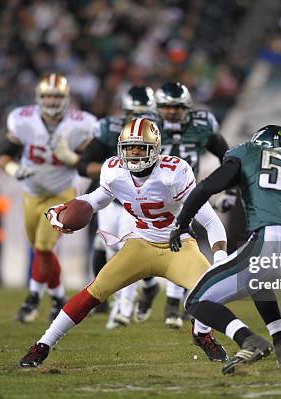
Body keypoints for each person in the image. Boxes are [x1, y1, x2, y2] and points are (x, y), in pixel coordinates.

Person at [19, 118, 229, 367]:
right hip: (139, 244)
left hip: (178, 245)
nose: (135, 153)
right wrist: (72, 208)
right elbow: (96, 199)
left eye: (141, 147)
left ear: (155, 148)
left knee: (213, 290)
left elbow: (212, 222)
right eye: (130, 148)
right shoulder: (114, 170)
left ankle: (202, 334)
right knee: (93, 292)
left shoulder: (175, 173)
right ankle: (42, 345)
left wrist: (220, 258)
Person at [169, 125, 281, 374]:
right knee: (258, 282)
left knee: (196, 300)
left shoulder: (248, 152)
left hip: (268, 242)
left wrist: (181, 223)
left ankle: (247, 340)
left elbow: (206, 187)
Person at [0, 73, 96, 323]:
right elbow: (3, 155)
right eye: (47, 96)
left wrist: (70, 157)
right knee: (42, 250)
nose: (52, 101)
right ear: (39, 98)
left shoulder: (81, 123)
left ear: (66, 98)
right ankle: (58, 298)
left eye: (56, 96)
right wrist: (14, 170)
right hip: (31, 192)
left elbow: (89, 163)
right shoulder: (22, 119)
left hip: (62, 191)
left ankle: (32, 298)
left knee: (44, 247)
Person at [135, 81, 234, 329]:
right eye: (167, 106)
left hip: (188, 191)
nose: (172, 111)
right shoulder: (146, 125)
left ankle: (174, 303)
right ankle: (151, 291)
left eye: (177, 107)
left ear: (187, 107)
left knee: (182, 239)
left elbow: (228, 156)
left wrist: (231, 188)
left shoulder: (202, 125)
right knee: (143, 246)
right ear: (158, 107)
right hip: (152, 193)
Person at [76, 85, 159, 328]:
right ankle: (137, 292)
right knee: (106, 247)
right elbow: (84, 165)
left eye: (144, 113)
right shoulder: (109, 129)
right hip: (112, 198)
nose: (138, 119)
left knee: (128, 251)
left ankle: (123, 307)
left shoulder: (159, 132)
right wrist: (113, 171)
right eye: (133, 113)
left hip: (142, 199)